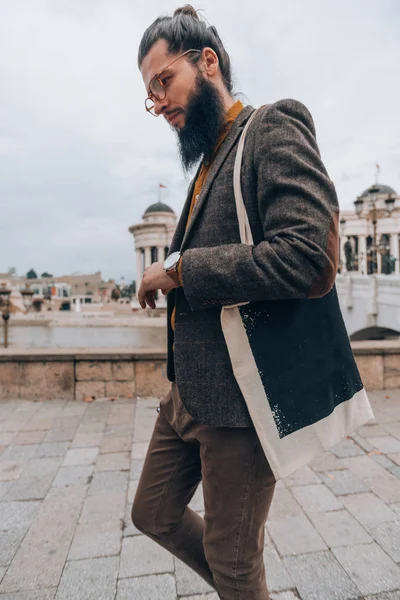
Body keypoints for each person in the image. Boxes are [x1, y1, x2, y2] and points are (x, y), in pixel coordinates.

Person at [132, 5, 340, 599]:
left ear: (208, 62)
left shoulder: (273, 127)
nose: (159, 104)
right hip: (186, 395)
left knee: (234, 557)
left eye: (163, 82)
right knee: (153, 515)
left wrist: (177, 268)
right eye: (150, 95)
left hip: (241, 405)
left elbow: (307, 257)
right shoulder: (205, 163)